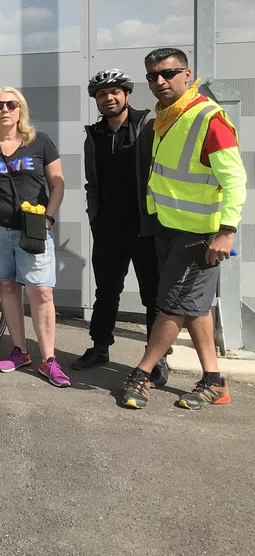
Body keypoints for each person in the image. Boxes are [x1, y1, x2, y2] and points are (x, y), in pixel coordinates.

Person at [119, 48, 247, 410]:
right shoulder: (168, 116)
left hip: (199, 235)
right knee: (195, 308)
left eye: (168, 73)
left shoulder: (208, 118)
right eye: (152, 76)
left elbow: (235, 181)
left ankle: (142, 373)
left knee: (171, 305)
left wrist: (226, 230)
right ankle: (214, 381)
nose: (159, 81)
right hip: (169, 227)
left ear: (187, 74)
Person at [0, 86, 69, 387]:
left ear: (20, 109)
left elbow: (58, 185)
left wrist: (48, 218)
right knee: (8, 288)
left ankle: (49, 360)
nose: (5, 109)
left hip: (33, 228)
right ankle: (19, 351)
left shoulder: (40, 143)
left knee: (42, 292)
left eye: (12, 104)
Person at [74, 70, 164, 382]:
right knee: (107, 291)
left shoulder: (148, 127)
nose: (108, 98)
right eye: (101, 94)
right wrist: (94, 216)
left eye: (114, 92)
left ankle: (158, 358)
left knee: (153, 296)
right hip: (108, 228)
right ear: (95, 100)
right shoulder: (94, 135)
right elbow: (92, 182)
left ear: (126, 94)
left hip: (145, 228)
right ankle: (100, 347)